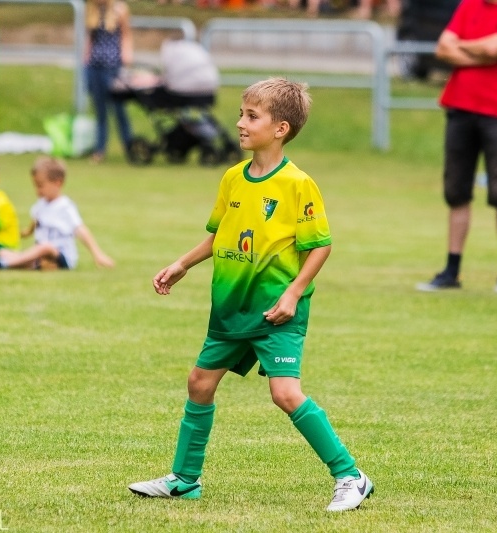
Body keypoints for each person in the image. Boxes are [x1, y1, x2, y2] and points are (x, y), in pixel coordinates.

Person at [127, 78, 374, 512]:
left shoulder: (298, 184)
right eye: (241, 114)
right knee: (200, 383)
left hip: (277, 308)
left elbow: (320, 245)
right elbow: (218, 235)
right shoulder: (232, 178)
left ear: (280, 128)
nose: (240, 123)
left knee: (285, 394)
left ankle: (351, 476)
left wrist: (294, 294)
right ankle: (185, 480)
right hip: (230, 307)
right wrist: (183, 263)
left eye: (251, 116)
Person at [416, 0, 497, 293]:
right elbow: (443, 48)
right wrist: (479, 56)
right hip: (459, 108)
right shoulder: (469, 5)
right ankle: (451, 270)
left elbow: (496, 48)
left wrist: (463, 47)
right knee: (456, 192)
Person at [0, 156, 115, 270]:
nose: (37, 191)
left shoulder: (65, 207)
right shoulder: (40, 205)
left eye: (40, 186)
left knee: (45, 248)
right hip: (41, 252)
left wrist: (97, 254)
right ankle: (24, 263)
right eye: (35, 186)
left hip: (61, 255)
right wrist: (26, 232)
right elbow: (35, 222)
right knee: (4, 251)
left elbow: (81, 230)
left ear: (58, 183)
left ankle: (3, 264)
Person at [85, 0, 134, 163]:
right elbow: (90, 40)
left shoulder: (120, 10)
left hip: (113, 67)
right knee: (100, 112)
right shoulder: (93, 10)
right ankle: (99, 150)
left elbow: (126, 35)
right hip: (95, 66)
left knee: (119, 110)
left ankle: (129, 147)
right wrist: (86, 61)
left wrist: (127, 59)